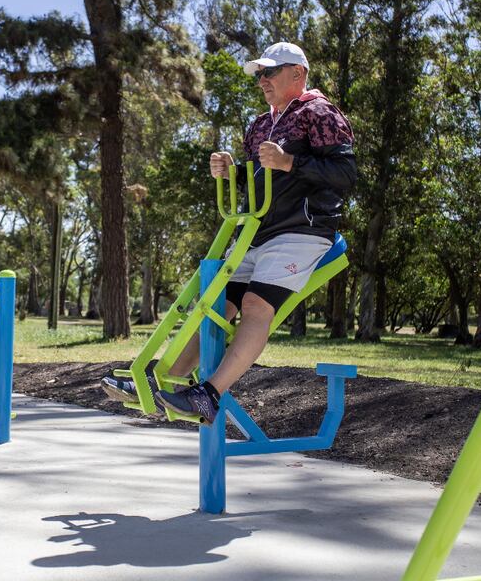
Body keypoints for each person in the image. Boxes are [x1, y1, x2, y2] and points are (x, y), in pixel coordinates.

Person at [101, 41, 357, 423]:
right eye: (260, 74)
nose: (263, 80)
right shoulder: (259, 124)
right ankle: (163, 383)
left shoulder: (320, 113)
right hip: (257, 230)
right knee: (214, 305)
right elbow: (261, 178)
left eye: (270, 72)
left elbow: (345, 175)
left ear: (297, 74)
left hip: (303, 231)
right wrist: (233, 171)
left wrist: (290, 161)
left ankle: (210, 394)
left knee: (256, 305)